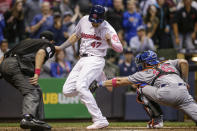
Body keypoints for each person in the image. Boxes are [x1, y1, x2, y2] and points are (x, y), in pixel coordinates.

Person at [56, 5, 123, 129]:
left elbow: (120, 49)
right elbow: (75, 36)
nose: (94, 23)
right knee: (67, 91)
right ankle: (95, 79)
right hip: (82, 59)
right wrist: (61, 47)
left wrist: (110, 42)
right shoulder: (84, 20)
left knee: (81, 86)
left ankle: (100, 119)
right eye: (93, 20)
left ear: (103, 18)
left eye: (97, 21)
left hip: (96, 59)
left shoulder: (108, 28)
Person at [96, 50, 197, 128]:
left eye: (141, 62)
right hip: (183, 92)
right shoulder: (168, 63)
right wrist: (185, 82)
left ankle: (157, 121)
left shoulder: (145, 73)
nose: (140, 65)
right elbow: (184, 62)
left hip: (166, 93)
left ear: (146, 63)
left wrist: (100, 83)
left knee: (141, 88)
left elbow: (119, 81)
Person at [0, 31, 56, 131]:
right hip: (16, 65)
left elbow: (3, 56)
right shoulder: (49, 44)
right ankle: (28, 118)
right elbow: (41, 53)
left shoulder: (28, 42)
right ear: (52, 41)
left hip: (5, 63)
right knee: (32, 92)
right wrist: (37, 73)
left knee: (36, 89)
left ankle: (36, 121)